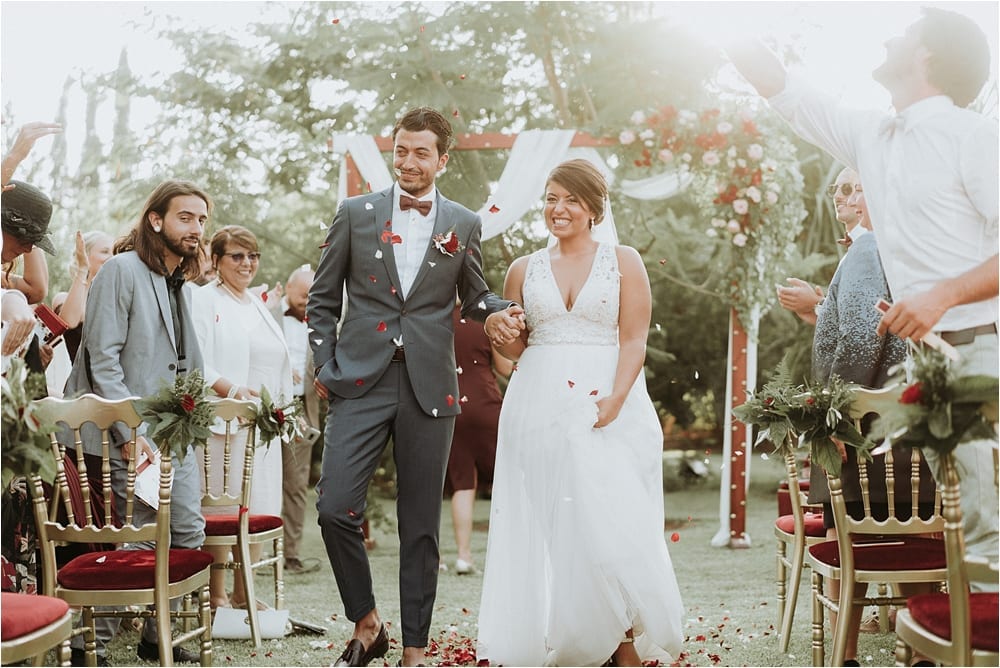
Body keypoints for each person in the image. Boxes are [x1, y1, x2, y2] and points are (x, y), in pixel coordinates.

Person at [727, 7, 998, 568]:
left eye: (907, 32)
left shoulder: (974, 138)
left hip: (978, 350)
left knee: (981, 530)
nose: (892, 37)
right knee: (953, 534)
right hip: (924, 362)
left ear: (927, 55)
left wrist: (940, 296)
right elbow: (784, 89)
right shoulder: (872, 135)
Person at [307, 106, 525, 667]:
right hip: (359, 381)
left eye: (420, 152)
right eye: (400, 150)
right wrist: (325, 365)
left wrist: (502, 309)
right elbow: (322, 300)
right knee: (334, 507)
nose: (407, 161)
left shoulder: (463, 222)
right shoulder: (353, 213)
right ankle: (367, 622)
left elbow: (475, 296)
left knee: (421, 524)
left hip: (431, 386)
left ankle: (415, 651)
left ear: (441, 160)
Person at [477, 159, 683, 666]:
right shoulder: (523, 268)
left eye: (571, 199)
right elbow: (514, 353)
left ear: (594, 207)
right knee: (562, 525)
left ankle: (623, 642)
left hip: (608, 403)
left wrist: (615, 398)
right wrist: (496, 329)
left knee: (608, 521)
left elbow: (633, 338)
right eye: (551, 198)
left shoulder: (624, 261)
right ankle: (601, 639)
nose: (559, 208)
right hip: (537, 404)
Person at [63, 179, 211, 665]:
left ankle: (155, 635)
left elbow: (184, 362)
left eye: (201, 219)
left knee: (187, 531)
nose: (195, 227)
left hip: (172, 433)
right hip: (122, 433)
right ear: (156, 220)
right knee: (141, 534)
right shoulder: (120, 270)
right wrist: (130, 432)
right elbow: (103, 360)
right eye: (185, 217)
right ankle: (88, 647)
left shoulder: (176, 281)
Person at [807, 179, 936, 664]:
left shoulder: (868, 248)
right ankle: (924, 648)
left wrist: (834, 415)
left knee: (848, 538)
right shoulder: (912, 249)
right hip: (909, 433)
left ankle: (846, 654)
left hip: (865, 436)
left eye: (856, 186)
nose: (846, 197)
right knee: (917, 541)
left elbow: (863, 336)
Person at [190, 225, 294, 610]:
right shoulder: (203, 299)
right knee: (222, 509)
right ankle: (217, 595)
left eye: (253, 256)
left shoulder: (256, 303)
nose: (247, 263)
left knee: (258, 506)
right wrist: (233, 391)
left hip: (261, 427)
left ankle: (243, 590)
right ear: (216, 260)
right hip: (223, 425)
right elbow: (195, 361)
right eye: (237, 256)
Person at [444, 303, 513, 575]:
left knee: (463, 483)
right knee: (507, 480)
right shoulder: (487, 319)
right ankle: (512, 554)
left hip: (452, 407)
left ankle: (463, 556)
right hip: (486, 406)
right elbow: (505, 367)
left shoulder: (436, 317)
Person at [268, 264, 322, 575]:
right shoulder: (267, 311)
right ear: (288, 288)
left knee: (297, 484)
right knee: (259, 481)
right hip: (265, 407)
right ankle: (254, 552)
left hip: (301, 410)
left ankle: (291, 554)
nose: (308, 301)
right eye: (304, 295)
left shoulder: (321, 319)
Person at [777, 168, 862, 326]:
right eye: (834, 189)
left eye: (846, 189)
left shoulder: (872, 248)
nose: (837, 196)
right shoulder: (852, 251)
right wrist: (818, 316)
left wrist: (816, 303)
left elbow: (870, 315)